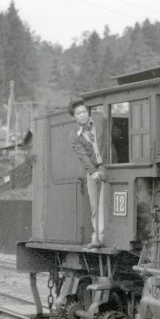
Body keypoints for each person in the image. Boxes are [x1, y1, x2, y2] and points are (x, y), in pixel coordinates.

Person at [68, 97, 107, 249]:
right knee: (95, 204)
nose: (83, 115)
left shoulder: (100, 120)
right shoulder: (74, 136)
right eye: (79, 113)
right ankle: (97, 237)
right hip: (93, 170)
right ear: (74, 117)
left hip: (109, 166)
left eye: (84, 111)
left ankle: (104, 236)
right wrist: (93, 172)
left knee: (105, 202)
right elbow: (83, 156)